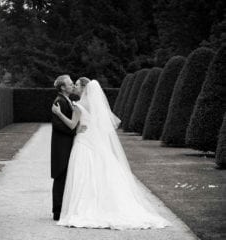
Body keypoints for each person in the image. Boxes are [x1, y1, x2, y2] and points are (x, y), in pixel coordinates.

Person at [51, 77, 171, 230]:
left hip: (83, 143)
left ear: (83, 88)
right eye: (71, 84)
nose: (74, 86)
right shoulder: (95, 106)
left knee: (83, 174)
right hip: (94, 142)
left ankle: (83, 207)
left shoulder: (78, 105)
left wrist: (59, 113)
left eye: (76, 84)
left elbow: (72, 124)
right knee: (99, 173)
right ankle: (102, 205)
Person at [50, 75, 86, 221]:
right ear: (63, 87)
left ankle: (63, 208)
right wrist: (75, 130)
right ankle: (57, 211)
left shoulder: (67, 101)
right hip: (61, 146)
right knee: (60, 175)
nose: (72, 86)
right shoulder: (59, 101)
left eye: (73, 84)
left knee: (66, 176)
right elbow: (57, 125)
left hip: (66, 144)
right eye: (70, 84)